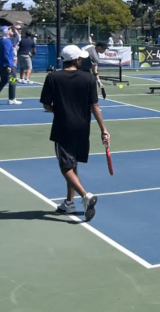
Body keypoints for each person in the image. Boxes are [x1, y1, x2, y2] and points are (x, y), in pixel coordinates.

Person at [40, 45, 111, 222]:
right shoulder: (88, 78)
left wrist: (60, 110)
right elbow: (94, 106)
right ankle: (69, 203)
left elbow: (47, 105)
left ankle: (85, 196)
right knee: (73, 164)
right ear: (77, 60)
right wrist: (104, 130)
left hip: (63, 127)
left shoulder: (52, 77)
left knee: (65, 167)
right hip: (82, 127)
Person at [0, 27, 20, 105]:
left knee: (4, 80)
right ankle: (12, 99)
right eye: (9, 29)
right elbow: (6, 54)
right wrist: (9, 65)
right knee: (13, 81)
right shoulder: (7, 41)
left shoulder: (0, 41)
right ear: (7, 32)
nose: (11, 30)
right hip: (7, 65)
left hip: (1, 65)